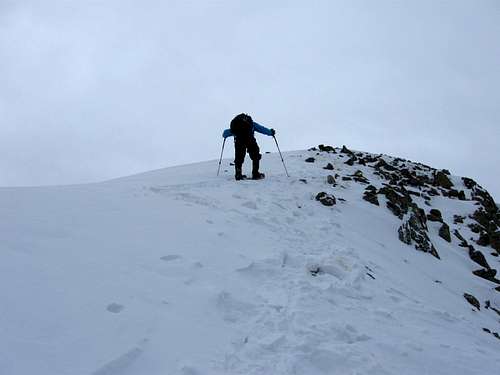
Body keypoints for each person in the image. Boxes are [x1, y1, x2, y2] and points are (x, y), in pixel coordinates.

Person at [222, 113, 275, 180]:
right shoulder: (251, 124)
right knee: (255, 156)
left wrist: (225, 135)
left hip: (239, 141)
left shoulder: (236, 126)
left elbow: (225, 133)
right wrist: (271, 132)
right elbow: (261, 129)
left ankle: (238, 174)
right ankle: (255, 173)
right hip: (250, 140)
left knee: (239, 157)